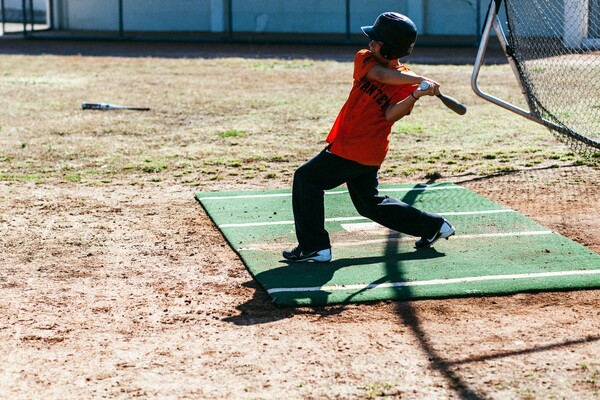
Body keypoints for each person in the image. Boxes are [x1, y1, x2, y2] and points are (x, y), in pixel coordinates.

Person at [283, 12, 455, 263]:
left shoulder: (407, 83)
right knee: (369, 204)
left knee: (306, 179)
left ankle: (314, 247)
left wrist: (416, 95)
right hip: (354, 146)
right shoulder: (365, 58)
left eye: (377, 41)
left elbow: (391, 114)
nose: (370, 43)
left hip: (358, 148)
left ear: (390, 48)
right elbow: (382, 76)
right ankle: (433, 226)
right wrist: (421, 80)